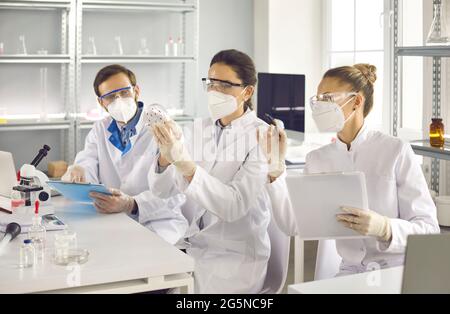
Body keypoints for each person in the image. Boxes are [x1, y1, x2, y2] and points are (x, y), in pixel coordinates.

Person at [261, 63, 440, 275]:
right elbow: (295, 224)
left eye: (327, 98)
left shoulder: (395, 151)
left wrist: (384, 228)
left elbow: (429, 229)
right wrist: (275, 166)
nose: (318, 107)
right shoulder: (317, 159)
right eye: (317, 100)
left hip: (395, 273)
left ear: (356, 101)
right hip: (349, 273)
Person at [148, 49, 271, 293]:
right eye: (211, 83)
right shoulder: (199, 128)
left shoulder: (263, 137)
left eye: (225, 85)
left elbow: (233, 206)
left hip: (235, 257)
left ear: (247, 91)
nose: (215, 91)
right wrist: (165, 156)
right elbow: (162, 190)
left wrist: (186, 165)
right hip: (196, 244)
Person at [61, 64, 187, 245]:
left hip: (159, 223)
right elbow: (88, 160)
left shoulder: (165, 129)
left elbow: (177, 193)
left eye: (125, 93)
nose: (119, 100)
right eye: (111, 97)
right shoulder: (100, 129)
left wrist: (131, 203)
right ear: (101, 103)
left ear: (136, 91)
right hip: (113, 219)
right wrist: (78, 169)